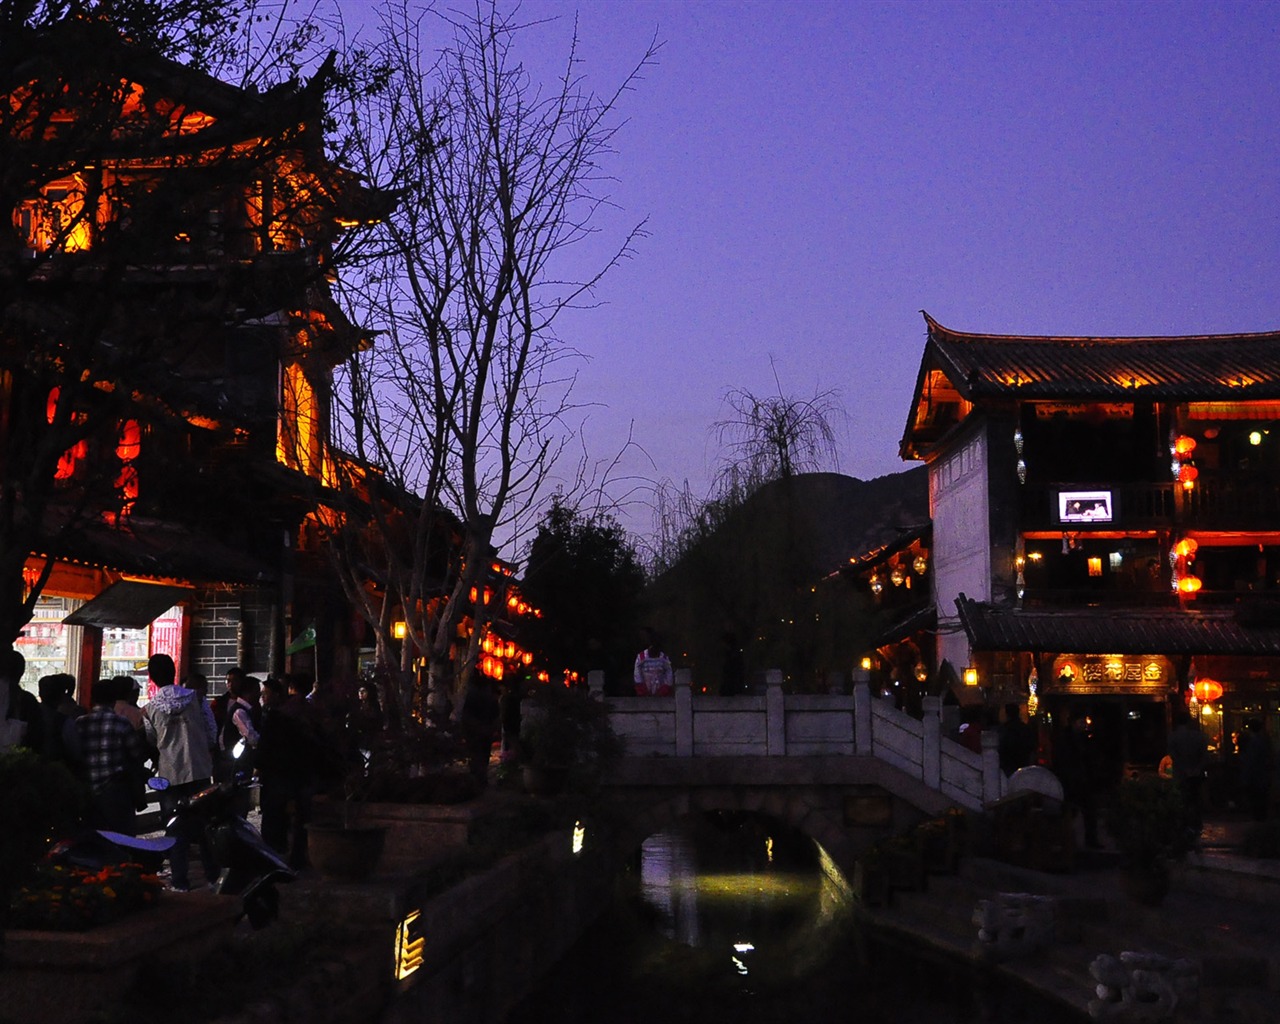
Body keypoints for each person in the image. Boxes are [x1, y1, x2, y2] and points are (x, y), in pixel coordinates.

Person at [142, 653, 217, 891]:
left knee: (175, 829)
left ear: (151, 678)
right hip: (199, 770)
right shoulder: (197, 699)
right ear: (174, 672)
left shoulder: (150, 709)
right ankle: (213, 875)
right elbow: (211, 732)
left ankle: (180, 880)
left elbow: (152, 741)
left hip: (170, 776)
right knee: (206, 825)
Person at [74, 679, 147, 835]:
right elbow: (136, 753)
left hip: (87, 789)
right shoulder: (121, 723)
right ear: (114, 700)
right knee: (123, 837)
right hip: (115, 789)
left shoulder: (79, 723)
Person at [1054, 712, 1103, 849]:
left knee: (1089, 811)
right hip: (1070, 780)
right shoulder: (1067, 739)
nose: (1083, 726)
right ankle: (1066, 841)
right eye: (1080, 723)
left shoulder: (1083, 738)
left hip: (1083, 779)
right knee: (1070, 812)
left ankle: (1090, 840)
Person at [1168, 707, 1210, 835]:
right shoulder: (1200, 736)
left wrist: (1184, 769)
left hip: (1181, 774)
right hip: (1196, 773)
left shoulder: (1173, 737)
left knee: (1182, 800)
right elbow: (1204, 756)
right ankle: (1196, 824)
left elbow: (1174, 756)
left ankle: (1183, 825)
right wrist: (1197, 768)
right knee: (1195, 799)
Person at [461, 676, 500, 786]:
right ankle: (480, 778)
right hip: (481, 731)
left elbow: (466, 715)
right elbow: (496, 716)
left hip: (475, 731)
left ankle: (478, 778)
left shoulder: (471, 696)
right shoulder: (488, 698)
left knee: (476, 755)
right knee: (481, 755)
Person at [37, 673, 81, 765]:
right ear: (62, 695)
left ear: (40, 693)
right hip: (58, 770)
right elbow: (76, 751)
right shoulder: (65, 721)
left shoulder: (29, 712)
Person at [1237, 718, 1272, 822]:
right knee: (1262, 799)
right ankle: (1262, 821)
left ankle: (1258, 820)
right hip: (1262, 775)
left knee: (1255, 799)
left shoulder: (1251, 741)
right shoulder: (1264, 740)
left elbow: (1249, 760)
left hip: (1253, 776)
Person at [997, 702, 1037, 777]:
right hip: (1023, 763)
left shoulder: (1003, 729)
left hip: (1008, 765)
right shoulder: (1025, 728)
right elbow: (1032, 747)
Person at [634, 629, 674, 697]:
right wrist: (642, 689)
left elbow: (669, 675)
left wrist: (664, 689)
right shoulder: (641, 657)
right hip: (645, 692)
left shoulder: (664, 658)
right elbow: (637, 674)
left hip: (661, 693)